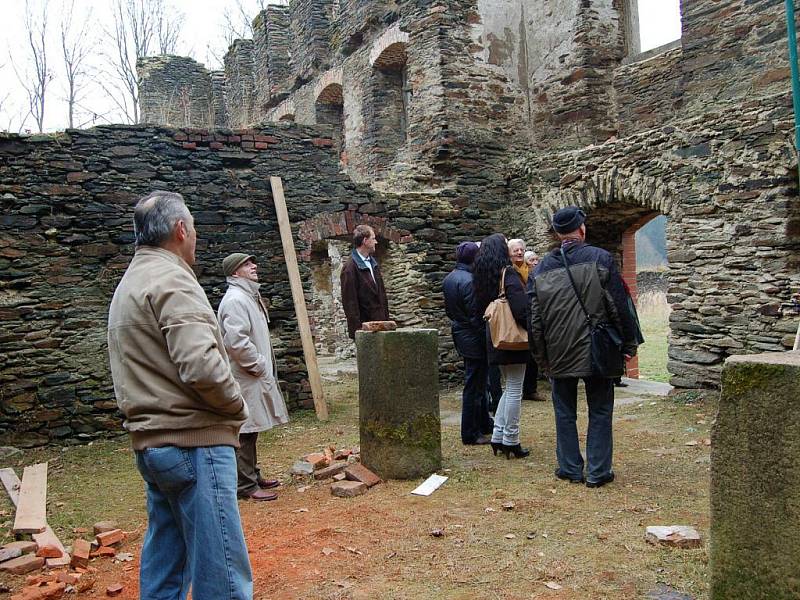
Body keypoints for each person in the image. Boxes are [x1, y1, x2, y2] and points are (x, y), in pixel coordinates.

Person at [107, 191, 253, 599]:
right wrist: (237, 407)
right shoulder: (172, 279)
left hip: (155, 445)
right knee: (220, 574)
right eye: (194, 228)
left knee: (165, 563)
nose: (196, 236)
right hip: (195, 442)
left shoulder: (132, 280)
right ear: (180, 229)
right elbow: (202, 367)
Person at [528, 206, 640, 488]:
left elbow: (535, 320)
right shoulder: (600, 258)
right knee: (600, 410)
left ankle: (569, 468)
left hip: (558, 350)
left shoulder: (541, 269)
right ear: (582, 229)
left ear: (556, 234)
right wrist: (628, 343)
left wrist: (542, 357)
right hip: (597, 347)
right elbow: (618, 306)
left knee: (564, 412)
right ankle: (598, 471)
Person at [218, 252, 289, 501]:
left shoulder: (247, 296)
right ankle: (245, 485)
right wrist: (258, 366)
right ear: (235, 272)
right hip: (245, 376)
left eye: (252, 263)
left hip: (251, 374)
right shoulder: (236, 300)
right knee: (245, 429)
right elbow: (236, 342)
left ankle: (253, 475)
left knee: (253, 426)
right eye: (247, 264)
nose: (254, 266)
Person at [473, 233, 530, 459]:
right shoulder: (509, 275)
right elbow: (521, 309)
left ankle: (499, 435)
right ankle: (511, 439)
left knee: (508, 388)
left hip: (494, 336)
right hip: (511, 337)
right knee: (515, 389)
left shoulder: (482, 276)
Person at [442, 241, 493, 445]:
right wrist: (485, 337)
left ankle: (482, 423)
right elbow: (475, 315)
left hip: (460, 332)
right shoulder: (470, 280)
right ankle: (470, 432)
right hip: (472, 336)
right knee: (475, 385)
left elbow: (450, 311)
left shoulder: (450, 278)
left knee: (478, 383)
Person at [508, 239, 545, 402]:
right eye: (515, 250)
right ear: (509, 252)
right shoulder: (509, 271)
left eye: (521, 249)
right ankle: (519, 388)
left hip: (529, 313)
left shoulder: (529, 270)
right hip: (515, 316)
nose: (519, 252)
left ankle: (530, 389)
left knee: (531, 353)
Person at [341, 224, 390, 339]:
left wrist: (386, 322)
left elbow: (381, 297)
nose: (376, 242)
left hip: (381, 328)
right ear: (365, 241)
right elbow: (350, 304)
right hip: (366, 331)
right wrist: (359, 333)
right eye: (373, 238)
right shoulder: (350, 268)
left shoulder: (373, 263)